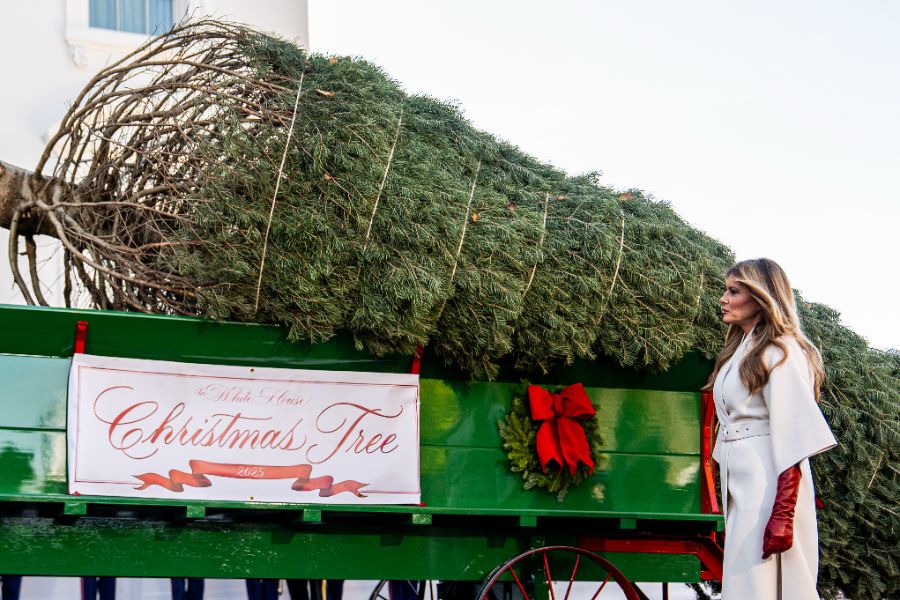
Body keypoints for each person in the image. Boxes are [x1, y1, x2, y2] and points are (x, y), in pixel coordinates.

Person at [706, 258, 836, 599]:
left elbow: (795, 435)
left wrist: (783, 514)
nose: (724, 298)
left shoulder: (782, 350)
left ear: (762, 297)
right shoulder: (740, 351)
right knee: (747, 581)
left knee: (764, 581)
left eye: (734, 291)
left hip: (770, 481)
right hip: (743, 478)